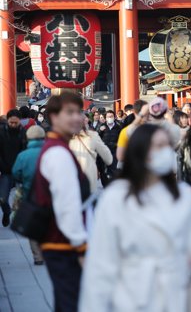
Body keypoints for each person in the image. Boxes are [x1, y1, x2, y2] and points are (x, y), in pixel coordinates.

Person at [79, 124, 191, 312]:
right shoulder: (116, 197)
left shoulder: (183, 195)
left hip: (177, 293)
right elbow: (102, 262)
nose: (164, 152)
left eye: (167, 146)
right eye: (157, 146)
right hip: (132, 295)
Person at [33, 93, 90, 312]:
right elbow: (67, 206)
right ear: (54, 117)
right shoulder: (59, 153)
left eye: (79, 111)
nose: (77, 117)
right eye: (70, 112)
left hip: (57, 241)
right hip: (64, 243)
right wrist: (81, 246)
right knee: (71, 302)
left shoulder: (55, 146)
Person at [12, 125, 46, 265]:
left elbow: (16, 173)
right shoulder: (49, 152)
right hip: (48, 194)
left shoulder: (23, 155)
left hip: (29, 194)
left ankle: (37, 256)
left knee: (33, 226)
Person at [70, 115, 113, 193]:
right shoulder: (93, 135)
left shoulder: (65, 136)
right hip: (89, 174)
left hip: (72, 175)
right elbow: (108, 158)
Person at [0, 109, 27, 226]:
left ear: (20, 121)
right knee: (3, 198)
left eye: (16, 123)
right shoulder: (1, 132)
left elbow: (25, 151)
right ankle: (7, 212)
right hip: (5, 170)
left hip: (19, 171)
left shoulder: (23, 133)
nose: (13, 125)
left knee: (22, 199)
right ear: (8, 121)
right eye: (11, 122)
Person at [116, 99, 149, 164]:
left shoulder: (125, 131)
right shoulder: (154, 129)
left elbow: (120, 156)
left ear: (134, 111)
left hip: (130, 167)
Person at [98, 110, 122, 184]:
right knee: (103, 170)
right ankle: (105, 185)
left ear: (114, 117)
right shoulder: (102, 126)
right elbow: (97, 138)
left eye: (111, 116)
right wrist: (100, 131)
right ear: (106, 118)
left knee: (113, 169)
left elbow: (121, 139)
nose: (110, 118)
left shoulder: (118, 127)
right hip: (104, 151)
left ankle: (112, 185)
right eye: (108, 117)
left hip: (114, 151)